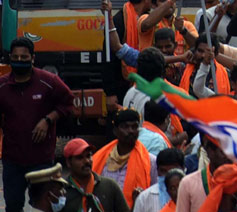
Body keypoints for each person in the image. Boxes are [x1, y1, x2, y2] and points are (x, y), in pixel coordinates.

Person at [0, 37, 75, 212]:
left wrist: (48, 120)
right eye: (16, 57)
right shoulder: (2, 86)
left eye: (24, 58)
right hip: (13, 160)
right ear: (10, 57)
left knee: (48, 206)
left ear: (33, 58)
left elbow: (68, 103)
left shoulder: (48, 81)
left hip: (41, 159)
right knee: (13, 206)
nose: (19, 61)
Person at [92, 109, 155, 207]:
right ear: (115, 131)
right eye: (125, 127)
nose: (130, 131)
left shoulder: (150, 161)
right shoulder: (101, 159)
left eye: (134, 127)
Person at [62, 139, 128, 212]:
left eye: (88, 156)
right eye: (80, 158)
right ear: (68, 162)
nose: (87, 161)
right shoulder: (62, 191)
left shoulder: (110, 186)